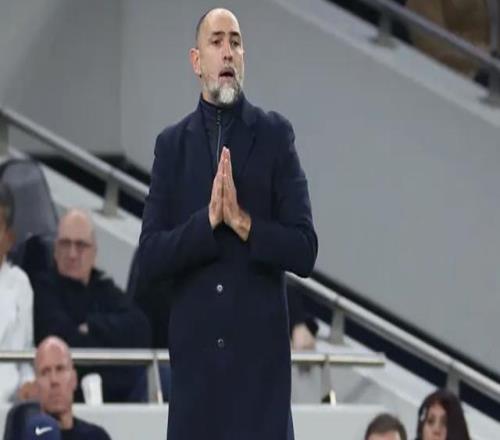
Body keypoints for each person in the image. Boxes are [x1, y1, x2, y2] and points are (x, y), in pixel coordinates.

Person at [138, 7, 318, 440]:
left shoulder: (274, 135)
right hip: (195, 389)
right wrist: (207, 223)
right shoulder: (172, 146)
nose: (228, 52)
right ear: (196, 61)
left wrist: (243, 223)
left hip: (259, 390)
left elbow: (304, 248)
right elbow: (151, 257)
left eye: (235, 43)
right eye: (216, 41)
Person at [33, 208, 151, 402]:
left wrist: (91, 326)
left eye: (80, 245)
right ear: (55, 250)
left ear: (94, 252)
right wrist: (110, 341)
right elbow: (62, 339)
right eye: (65, 244)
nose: (72, 254)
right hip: (70, 393)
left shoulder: (103, 287)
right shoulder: (43, 289)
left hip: (117, 390)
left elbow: (140, 328)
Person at [29, 335, 111, 439]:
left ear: (74, 379)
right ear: (36, 385)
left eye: (60, 369)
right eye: (45, 372)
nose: (54, 380)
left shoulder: (96, 437)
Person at [0, 182, 35, 401]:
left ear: (9, 237)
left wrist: (28, 384)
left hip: (9, 405)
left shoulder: (20, 284)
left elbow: (24, 361)